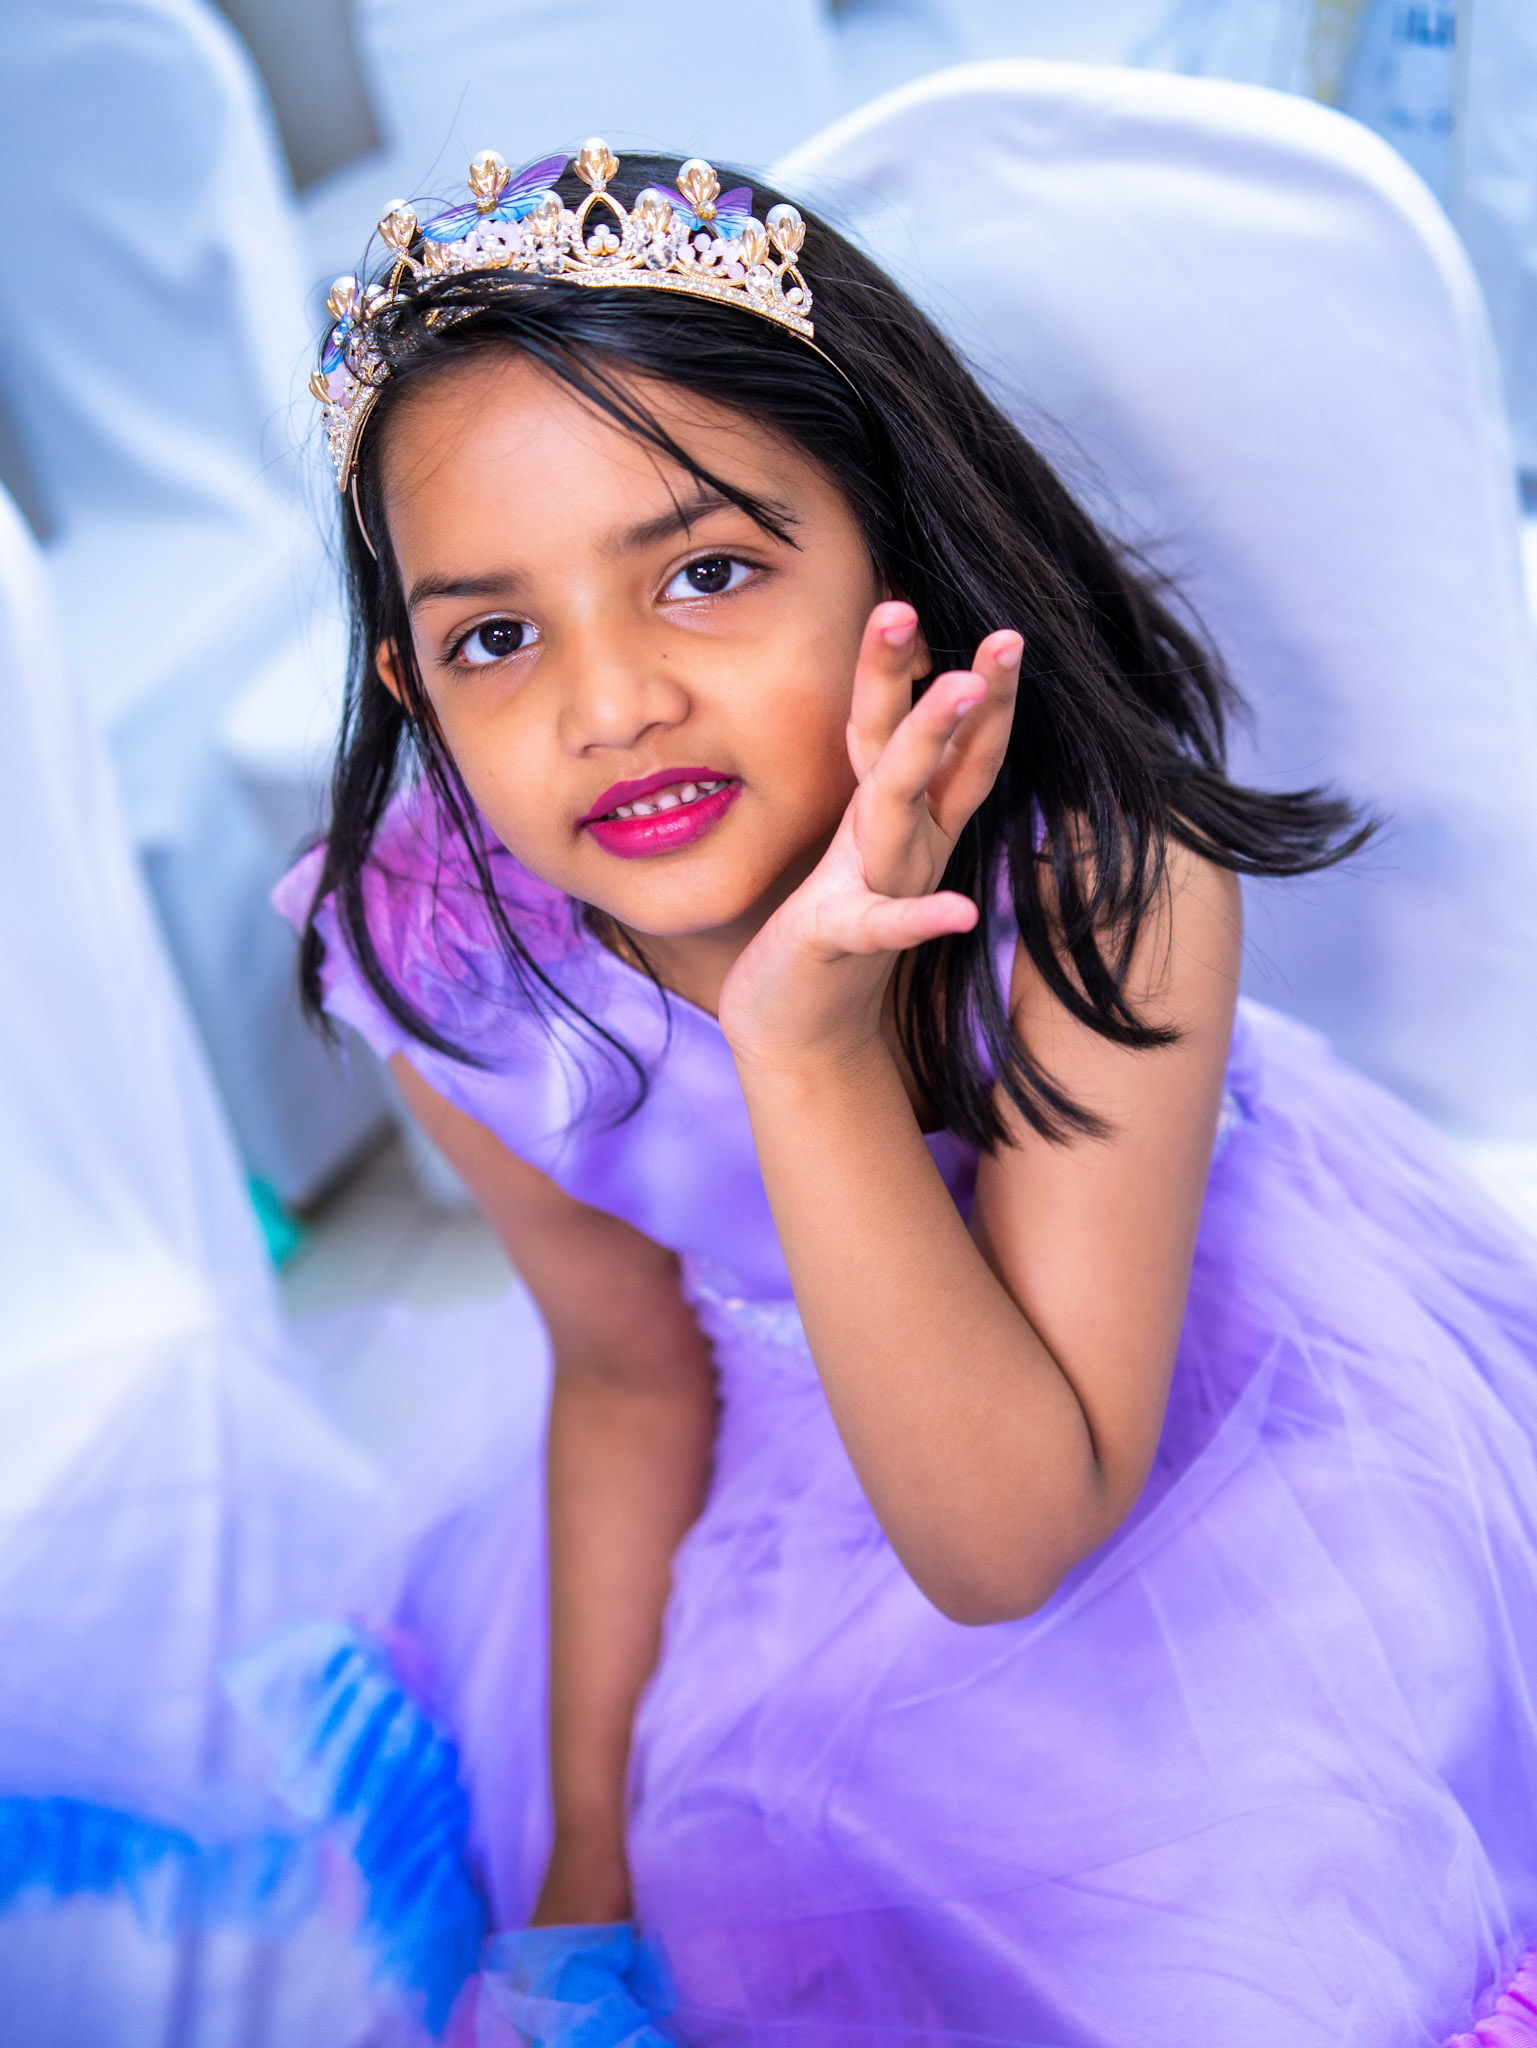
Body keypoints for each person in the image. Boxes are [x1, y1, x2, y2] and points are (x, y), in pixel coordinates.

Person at [276, 137, 1537, 2045]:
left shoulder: (1096, 883)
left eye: (705, 571)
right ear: (412, 685)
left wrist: (806, 1047)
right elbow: (628, 1374)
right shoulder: (442, 959)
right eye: (496, 637)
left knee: (1236, 1944)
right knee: (723, 1877)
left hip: (1156, 1428)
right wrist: (586, 1864)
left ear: (892, 550)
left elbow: (1011, 1537)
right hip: (782, 1467)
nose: (609, 706)